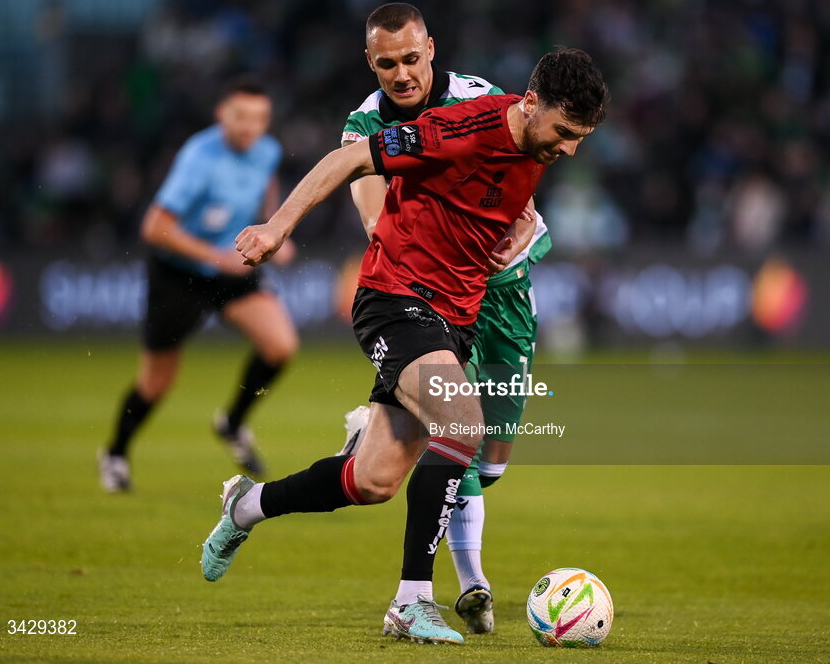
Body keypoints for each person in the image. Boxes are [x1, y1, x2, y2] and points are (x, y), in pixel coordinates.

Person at [202, 48, 607, 645]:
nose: (570, 149)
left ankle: (246, 506)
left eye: (581, 138)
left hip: (453, 318)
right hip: (396, 299)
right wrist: (277, 227)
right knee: (462, 420)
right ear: (529, 104)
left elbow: (490, 197)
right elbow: (349, 160)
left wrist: (520, 221)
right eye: (565, 133)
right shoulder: (461, 129)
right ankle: (411, 602)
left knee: (374, 482)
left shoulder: (533, 144)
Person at [335, 2, 553, 635]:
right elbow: (377, 219)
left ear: (431, 48)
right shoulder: (364, 123)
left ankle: (372, 425)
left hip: (505, 294)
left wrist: (513, 228)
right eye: (386, 63)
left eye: (410, 58)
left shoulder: (480, 98)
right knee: (459, 429)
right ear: (370, 63)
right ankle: (471, 584)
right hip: (432, 295)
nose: (401, 74)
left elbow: (521, 186)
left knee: (492, 460)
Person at [98, 78, 298, 492]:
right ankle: (115, 454)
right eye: (241, 117)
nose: (250, 127)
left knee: (280, 345)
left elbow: (266, 191)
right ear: (221, 115)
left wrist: (275, 231)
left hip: (230, 269)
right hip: (178, 273)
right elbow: (154, 227)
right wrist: (215, 256)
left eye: (259, 118)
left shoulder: (267, 152)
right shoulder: (198, 157)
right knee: (157, 381)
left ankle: (232, 423)